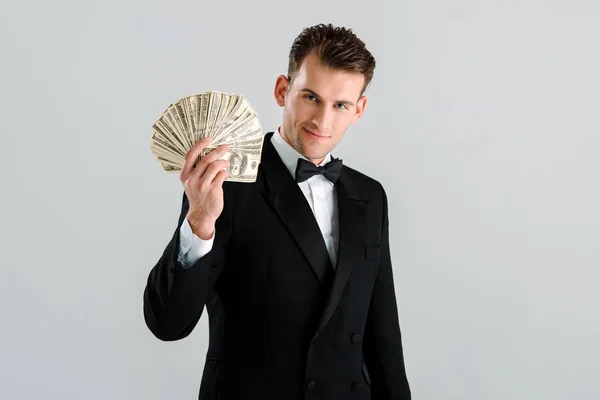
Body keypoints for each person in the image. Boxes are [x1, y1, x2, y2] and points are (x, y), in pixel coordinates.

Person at [143, 23, 412, 400]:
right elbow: (167, 323)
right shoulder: (224, 184)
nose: (323, 120)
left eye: (340, 105)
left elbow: (382, 333)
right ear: (282, 90)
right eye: (310, 97)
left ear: (359, 109)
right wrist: (200, 221)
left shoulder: (370, 196)